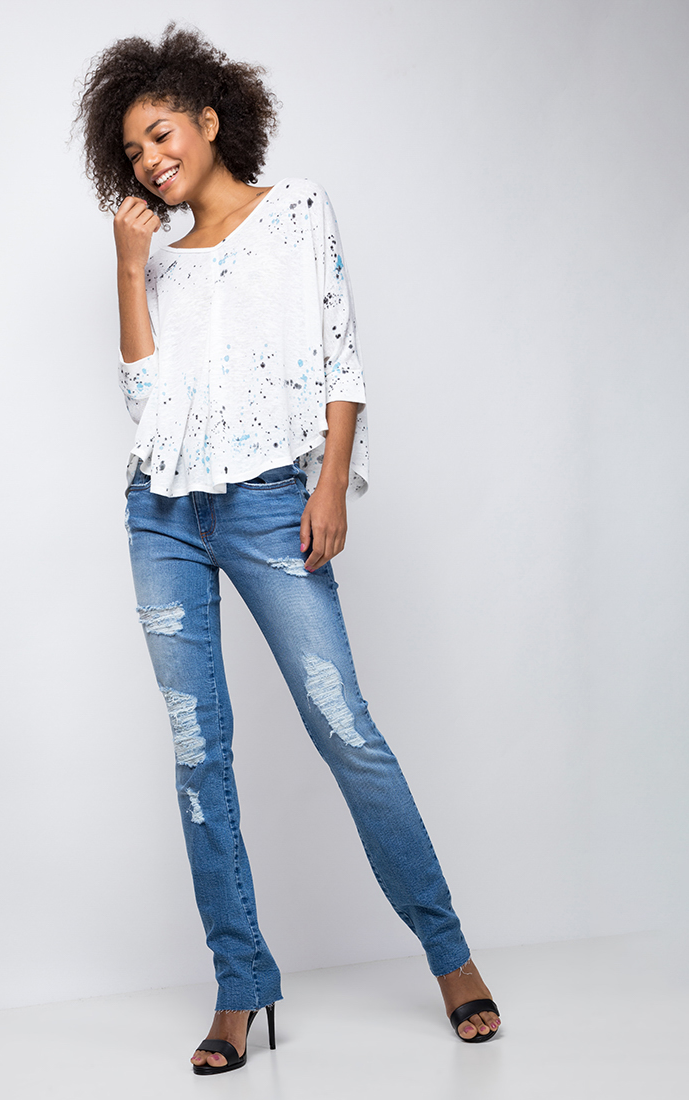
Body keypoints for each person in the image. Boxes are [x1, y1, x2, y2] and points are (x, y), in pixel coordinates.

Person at [75, 23, 501, 1076]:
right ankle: (240, 985)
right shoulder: (158, 264)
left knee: (343, 728)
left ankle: (448, 955)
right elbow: (146, 402)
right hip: (161, 516)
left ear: (209, 120)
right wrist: (129, 268)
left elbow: (338, 354)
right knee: (197, 753)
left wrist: (330, 483)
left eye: (160, 134)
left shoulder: (298, 212)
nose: (149, 160)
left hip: (271, 503)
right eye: (131, 151)